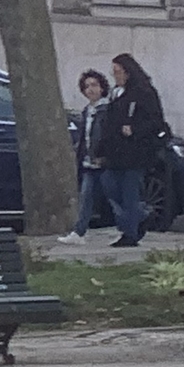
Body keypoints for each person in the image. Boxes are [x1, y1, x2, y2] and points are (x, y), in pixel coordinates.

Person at [94, 52, 166, 248]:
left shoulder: (144, 92)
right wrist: (101, 151)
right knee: (109, 183)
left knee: (129, 191)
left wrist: (134, 129)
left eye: (118, 72)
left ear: (128, 72)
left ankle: (130, 233)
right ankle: (139, 216)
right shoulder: (117, 93)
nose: (115, 76)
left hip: (136, 152)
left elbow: (156, 120)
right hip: (116, 152)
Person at [61, 69, 112, 243]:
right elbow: (85, 137)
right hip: (89, 163)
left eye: (94, 85)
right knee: (86, 198)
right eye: (87, 86)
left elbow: (107, 137)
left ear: (102, 87)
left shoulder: (107, 110)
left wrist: (104, 156)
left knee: (115, 199)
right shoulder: (87, 111)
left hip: (104, 164)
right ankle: (78, 232)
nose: (90, 89)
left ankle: (137, 221)